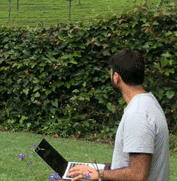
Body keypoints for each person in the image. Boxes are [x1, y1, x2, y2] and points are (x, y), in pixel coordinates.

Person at [68, 48, 170, 181]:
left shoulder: (137, 115)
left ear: (116, 77)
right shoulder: (148, 102)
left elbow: (137, 175)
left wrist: (100, 174)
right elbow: (129, 166)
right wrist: (94, 170)